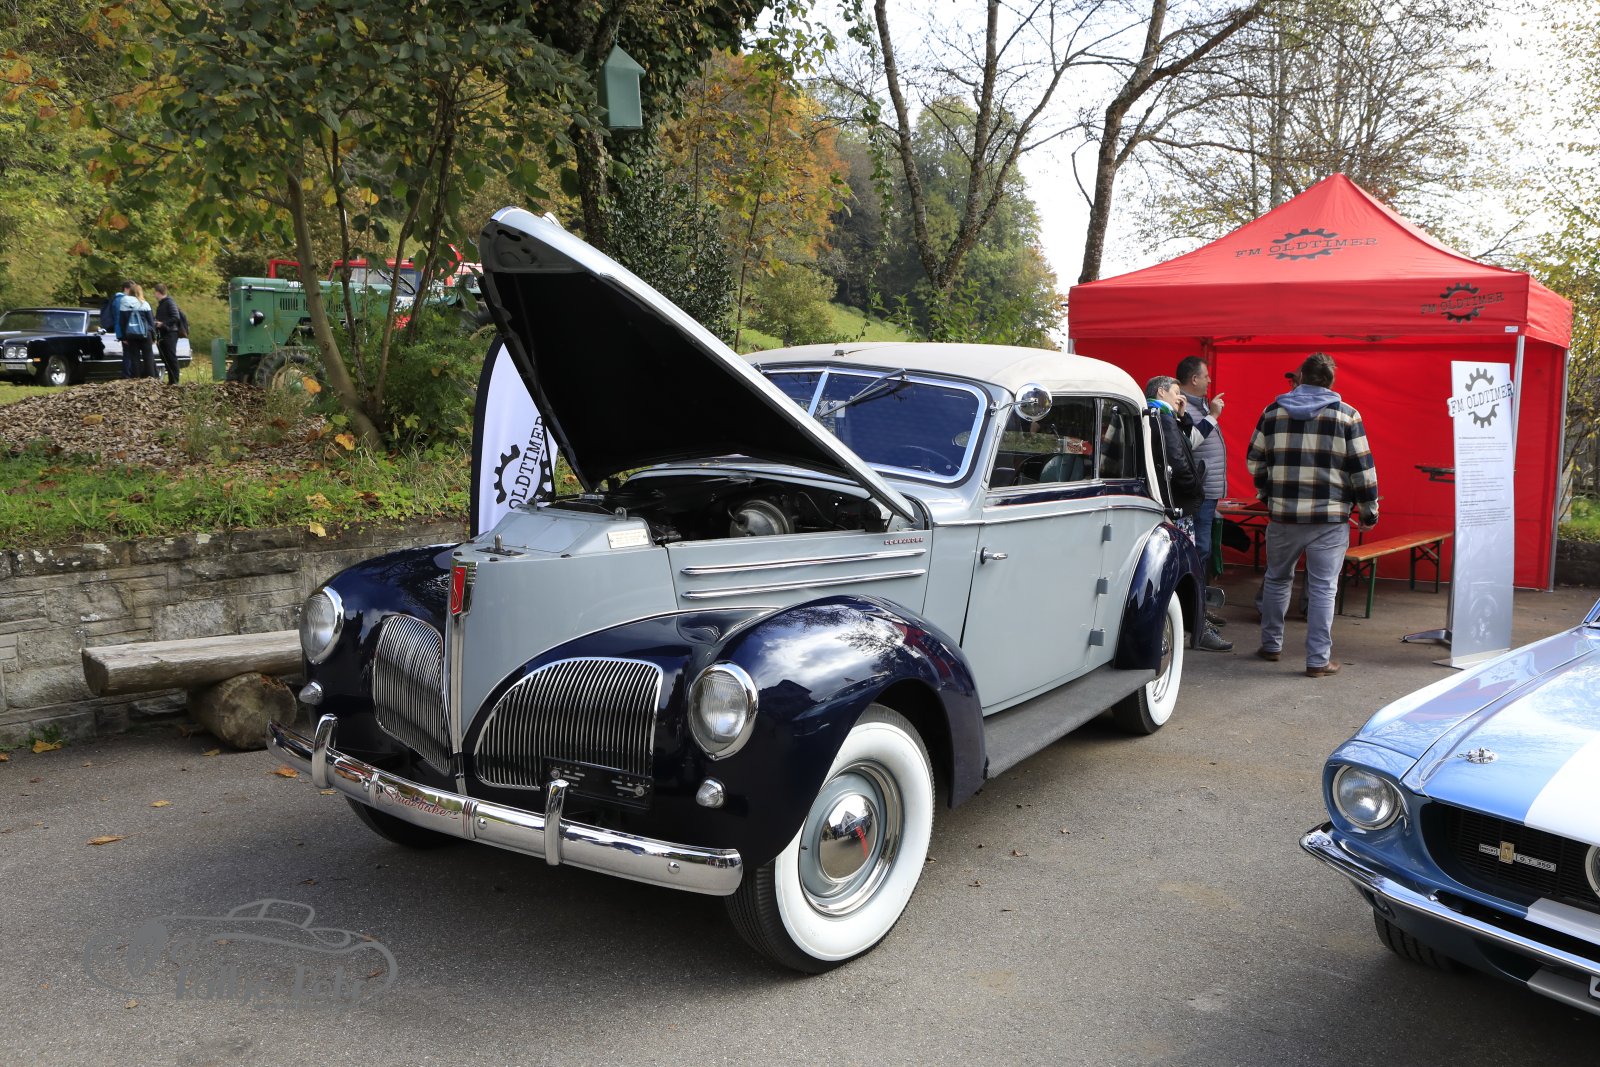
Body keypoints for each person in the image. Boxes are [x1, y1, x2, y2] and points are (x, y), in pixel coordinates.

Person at [1246, 352, 1379, 677]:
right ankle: (1318, 661)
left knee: (1277, 579)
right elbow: (1362, 471)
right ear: (1331, 381)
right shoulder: (1347, 416)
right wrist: (1368, 511)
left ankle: (1271, 645)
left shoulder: (1271, 412)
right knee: (1323, 588)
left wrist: (1267, 493)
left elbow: (1254, 461)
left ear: (1301, 377)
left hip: (1283, 515)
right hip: (1330, 520)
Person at [1146, 375, 1232, 653]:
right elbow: (1180, 459)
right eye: (1175, 392)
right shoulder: (1163, 418)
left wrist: (1182, 416)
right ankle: (1196, 628)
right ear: (1161, 392)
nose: (1180, 396)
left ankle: (1194, 620)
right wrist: (1196, 488)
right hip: (1178, 505)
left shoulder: (1161, 416)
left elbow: (1183, 443)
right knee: (1187, 565)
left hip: (1171, 503)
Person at [1176, 356, 1228, 631]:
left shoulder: (1200, 406)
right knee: (1199, 551)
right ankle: (1194, 614)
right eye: (1206, 376)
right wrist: (1213, 416)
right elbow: (1189, 443)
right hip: (1199, 493)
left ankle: (1200, 609)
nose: (1209, 380)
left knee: (1204, 551)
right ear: (1194, 379)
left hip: (1208, 492)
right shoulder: (1182, 408)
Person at [118, 281, 155, 379]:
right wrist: (154, 337)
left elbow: (122, 321)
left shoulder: (124, 303)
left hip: (131, 334)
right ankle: (150, 379)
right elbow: (151, 321)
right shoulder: (145, 303)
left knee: (134, 357)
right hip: (145, 334)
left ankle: (136, 378)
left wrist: (123, 337)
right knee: (148, 357)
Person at [152, 283, 184, 385]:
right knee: (165, 357)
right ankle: (171, 380)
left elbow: (175, 317)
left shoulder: (169, 302)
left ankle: (175, 381)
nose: (154, 294)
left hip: (170, 333)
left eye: (155, 292)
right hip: (163, 333)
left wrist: (163, 324)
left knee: (171, 357)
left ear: (158, 292)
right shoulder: (162, 304)